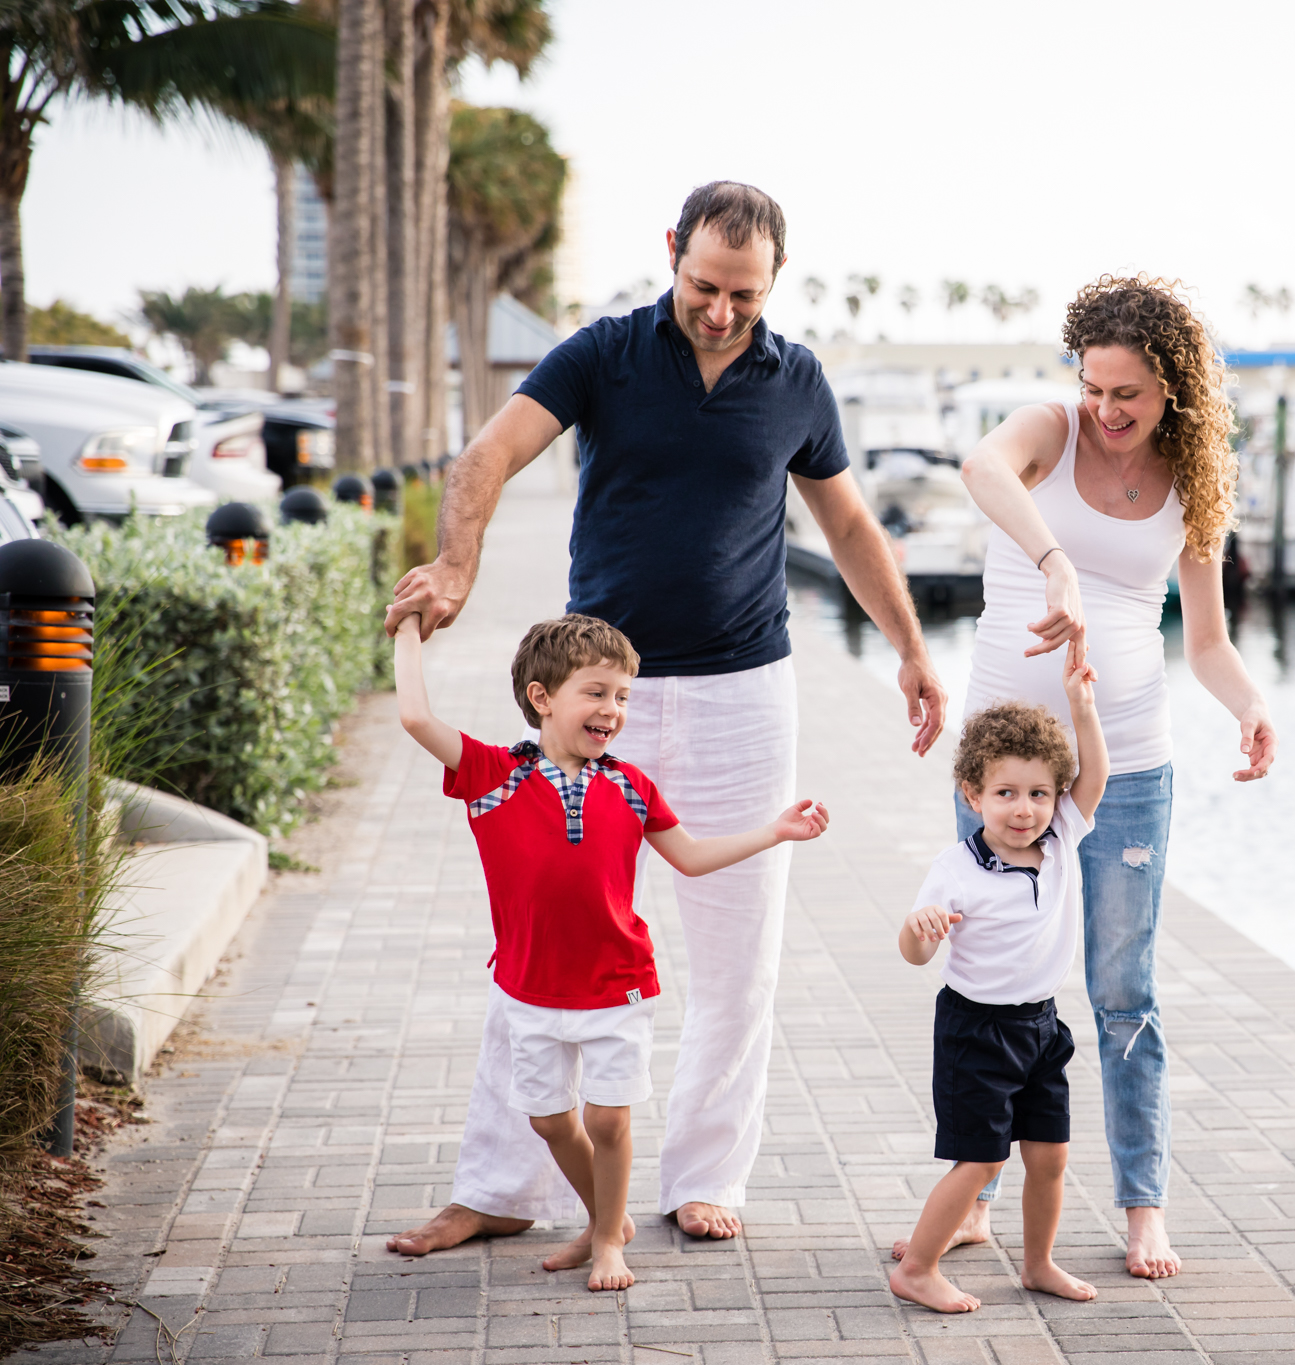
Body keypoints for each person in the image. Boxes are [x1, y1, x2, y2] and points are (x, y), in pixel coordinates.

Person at [385, 181, 946, 1256]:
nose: (721, 310)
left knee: (741, 955)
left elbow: (851, 526)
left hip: (746, 692)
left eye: (744, 292)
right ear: (670, 256)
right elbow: (486, 457)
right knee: (542, 939)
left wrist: (912, 652)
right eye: (703, 286)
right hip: (601, 694)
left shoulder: (798, 381)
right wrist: (457, 562)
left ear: (773, 281)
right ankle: (501, 1185)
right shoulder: (601, 355)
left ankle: (705, 1177)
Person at [928, 275, 1276, 1279]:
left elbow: (1204, 642)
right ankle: (976, 1196)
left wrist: (1249, 704)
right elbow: (978, 466)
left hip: (1126, 762)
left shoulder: (1195, 477)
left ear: (1173, 389)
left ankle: (1140, 1207)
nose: (1108, 411)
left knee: (1120, 990)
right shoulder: (1050, 429)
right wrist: (1051, 560)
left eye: (1129, 394)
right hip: (1001, 771)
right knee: (991, 985)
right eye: (1095, 386)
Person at [392, 612, 829, 1289]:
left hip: (618, 982)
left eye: (624, 696)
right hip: (529, 989)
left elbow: (689, 856)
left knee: (607, 1116)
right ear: (542, 697)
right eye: (597, 692)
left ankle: (606, 1244)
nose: (613, 709)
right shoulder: (491, 773)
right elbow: (418, 719)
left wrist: (772, 832)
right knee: (549, 1119)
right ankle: (608, 1218)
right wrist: (409, 632)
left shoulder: (631, 785)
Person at [890, 657, 1107, 1313]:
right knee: (981, 1162)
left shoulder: (1065, 836)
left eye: (1039, 793)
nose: (1025, 808)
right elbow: (914, 953)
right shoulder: (957, 868)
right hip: (975, 1031)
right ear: (972, 793)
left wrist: (1082, 708)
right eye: (1006, 792)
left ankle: (1038, 1262)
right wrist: (920, 927)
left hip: (1041, 1027)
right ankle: (918, 1268)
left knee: (1049, 1155)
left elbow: (1093, 773)